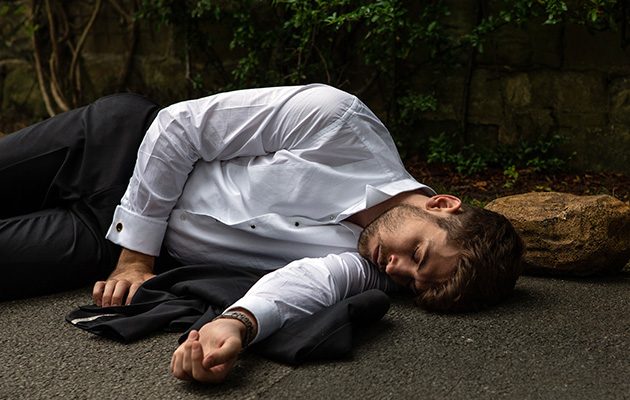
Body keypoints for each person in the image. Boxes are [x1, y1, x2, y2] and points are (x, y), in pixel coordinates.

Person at [0, 84, 523, 383]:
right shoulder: (336, 121)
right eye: (418, 252)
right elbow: (180, 126)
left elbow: (306, 287)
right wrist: (135, 258)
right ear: (442, 204)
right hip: (116, 148)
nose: (397, 269)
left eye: (413, 281)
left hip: (101, 237)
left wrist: (237, 325)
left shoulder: (366, 266)